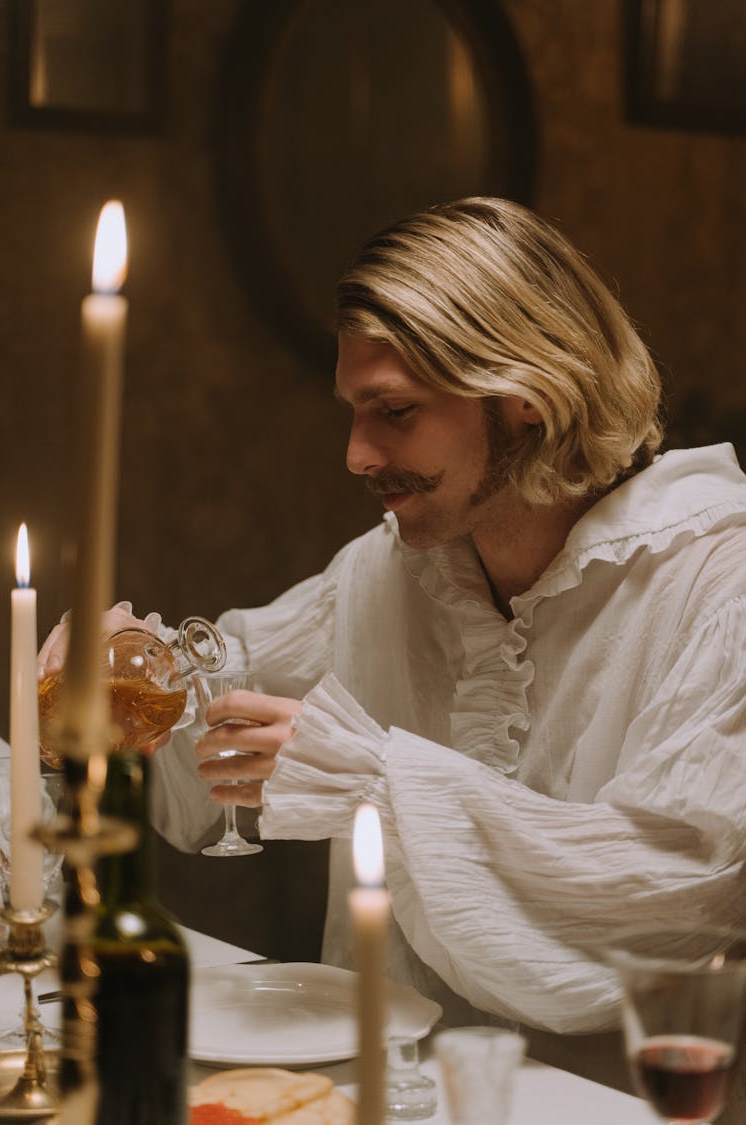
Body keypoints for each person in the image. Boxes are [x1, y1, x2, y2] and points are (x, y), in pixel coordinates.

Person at [39, 197, 746, 1089]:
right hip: (385, 1094)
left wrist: (375, 780)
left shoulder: (717, 581)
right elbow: (226, 696)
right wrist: (136, 687)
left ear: (529, 396)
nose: (356, 453)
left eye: (395, 412)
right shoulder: (389, 570)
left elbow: (679, 892)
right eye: (353, 411)